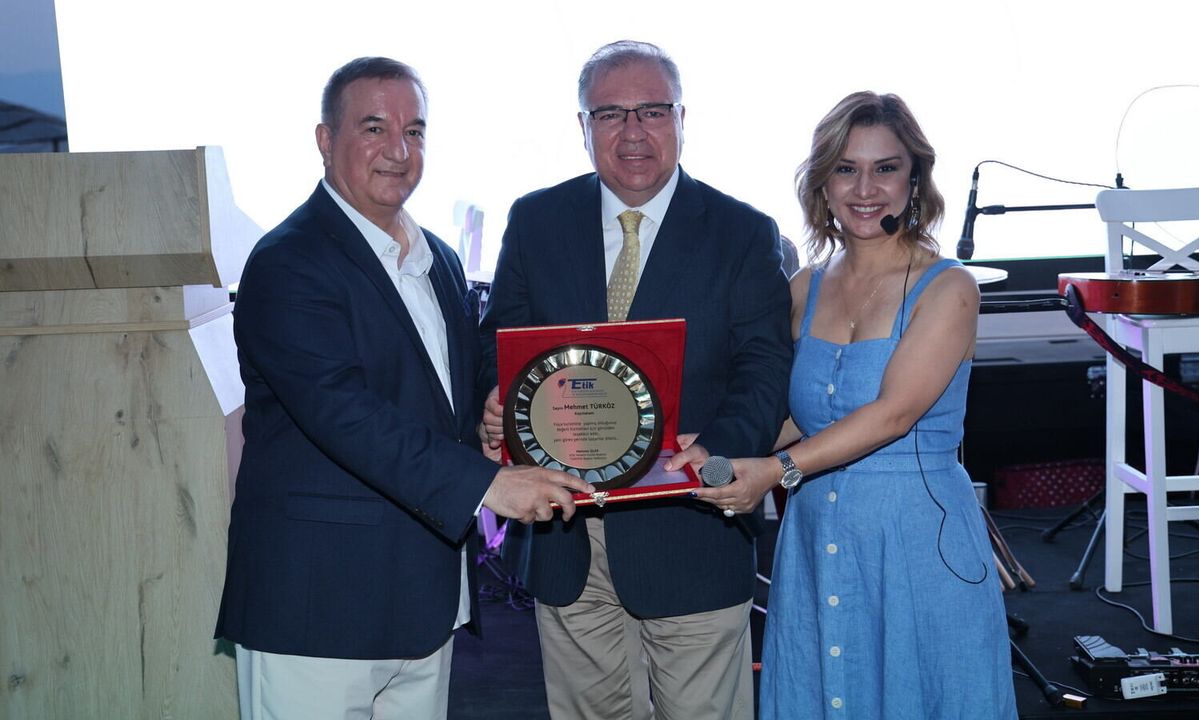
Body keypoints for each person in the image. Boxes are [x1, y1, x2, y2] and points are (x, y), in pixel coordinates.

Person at [215, 56, 591, 720]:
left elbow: (440, 396)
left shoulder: (437, 256)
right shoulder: (287, 261)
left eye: (414, 131)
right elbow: (343, 414)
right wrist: (490, 484)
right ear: (325, 140)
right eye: (374, 128)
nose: (399, 150)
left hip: (424, 601)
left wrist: (489, 419)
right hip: (319, 609)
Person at [478, 40, 792, 720]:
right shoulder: (535, 221)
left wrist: (715, 454)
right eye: (610, 114)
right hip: (566, 534)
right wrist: (494, 402)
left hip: (690, 527)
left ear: (681, 119)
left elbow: (765, 370)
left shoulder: (742, 232)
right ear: (583, 126)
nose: (632, 132)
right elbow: (498, 345)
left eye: (652, 111)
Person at [688, 92, 1018, 718]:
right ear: (823, 183)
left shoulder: (949, 286)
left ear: (915, 179)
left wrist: (776, 470)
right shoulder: (804, 287)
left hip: (919, 540)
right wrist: (713, 448)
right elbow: (795, 414)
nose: (866, 189)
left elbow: (894, 413)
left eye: (885, 168)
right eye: (846, 168)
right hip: (816, 536)